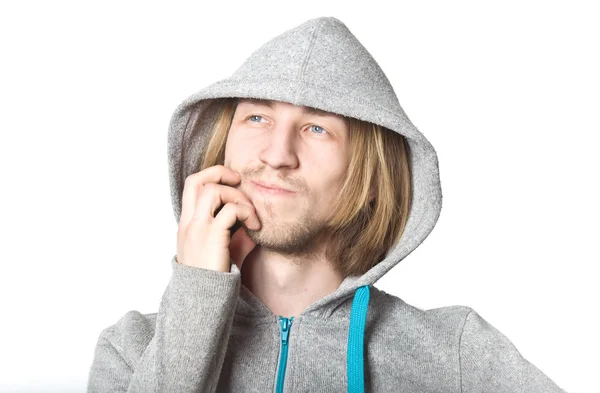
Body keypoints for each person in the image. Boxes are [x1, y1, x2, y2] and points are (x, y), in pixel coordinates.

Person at [86, 16, 567, 393]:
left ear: (372, 177)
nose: (277, 155)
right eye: (256, 117)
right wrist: (196, 293)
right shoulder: (131, 349)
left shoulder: (457, 354)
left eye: (317, 128)